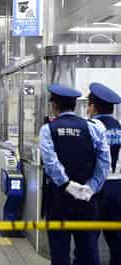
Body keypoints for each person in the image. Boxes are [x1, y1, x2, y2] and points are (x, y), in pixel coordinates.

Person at [39, 84, 110, 265]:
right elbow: (104, 163)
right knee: (88, 250)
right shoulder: (94, 128)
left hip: (58, 199)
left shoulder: (49, 130)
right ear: (75, 105)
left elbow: (51, 162)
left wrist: (67, 185)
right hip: (87, 200)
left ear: (54, 105)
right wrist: (91, 188)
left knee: (60, 251)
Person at [86, 82, 121, 265]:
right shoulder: (119, 126)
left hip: (97, 189)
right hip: (119, 188)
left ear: (93, 106)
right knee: (117, 241)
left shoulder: (91, 127)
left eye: (88, 105)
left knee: (89, 240)